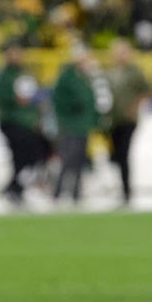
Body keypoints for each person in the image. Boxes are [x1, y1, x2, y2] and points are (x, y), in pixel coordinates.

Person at [0, 45, 48, 205]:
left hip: (28, 124)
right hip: (12, 122)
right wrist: (14, 99)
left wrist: (37, 115)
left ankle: (13, 186)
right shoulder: (3, 75)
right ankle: (15, 188)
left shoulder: (26, 73)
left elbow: (34, 96)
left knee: (32, 155)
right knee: (20, 156)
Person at [50, 44, 99, 204]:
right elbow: (60, 99)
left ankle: (76, 192)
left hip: (82, 125)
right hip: (70, 124)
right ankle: (58, 192)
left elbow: (91, 101)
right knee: (67, 159)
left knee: (79, 160)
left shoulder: (85, 77)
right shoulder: (68, 77)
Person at [104, 37, 151, 204]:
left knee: (124, 154)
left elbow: (146, 91)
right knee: (116, 155)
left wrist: (135, 108)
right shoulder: (111, 72)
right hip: (113, 120)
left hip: (128, 120)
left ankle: (126, 190)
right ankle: (120, 188)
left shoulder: (134, 72)